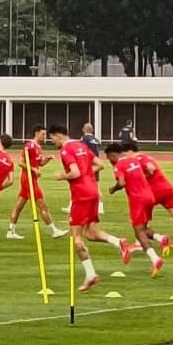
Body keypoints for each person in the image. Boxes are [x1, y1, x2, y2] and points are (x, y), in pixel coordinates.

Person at [49, 124, 130, 293]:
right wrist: (86, 173)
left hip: (81, 195)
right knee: (90, 233)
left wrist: (62, 176)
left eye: (52, 139)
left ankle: (91, 275)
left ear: (58, 136)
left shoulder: (65, 150)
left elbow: (75, 172)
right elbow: (100, 164)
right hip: (93, 192)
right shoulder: (81, 145)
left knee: (76, 238)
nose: (52, 142)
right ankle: (118, 242)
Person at [105, 142, 164, 277]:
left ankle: (155, 259)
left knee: (138, 232)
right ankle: (160, 238)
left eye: (109, 158)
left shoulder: (119, 165)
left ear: (112, 155)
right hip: (149, 196)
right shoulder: (133, 159)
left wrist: (113, 189)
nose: (110, 162)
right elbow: (149, 169)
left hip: (137, 199)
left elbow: (121, 183)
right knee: (143, 228)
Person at [7, 125, 68, 240]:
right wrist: (33, 169)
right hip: (28, 179)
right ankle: (54, 230)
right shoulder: (29, 145)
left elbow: (40, 163)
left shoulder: (38, 147)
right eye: (43, 134)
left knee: (19, 206)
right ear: (36, 133)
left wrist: (48, 158)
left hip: (32, 179)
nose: (45, 136)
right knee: (43, 206)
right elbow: (21, 162)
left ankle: (11, 230)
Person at [64, 123, 105, 215]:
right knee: (96, 186)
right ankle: (100, 207)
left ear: (83, 129)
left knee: (77, 186)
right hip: (95, 164)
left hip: (86, 165)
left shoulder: (84, 139)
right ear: (92, 130)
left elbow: (81, 150)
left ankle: (72, 206)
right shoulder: (96, 139)